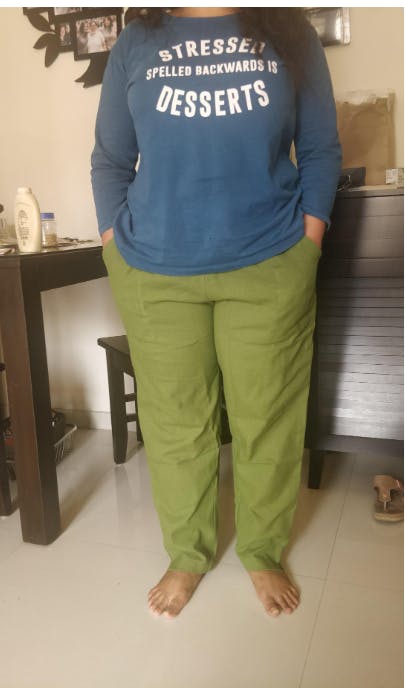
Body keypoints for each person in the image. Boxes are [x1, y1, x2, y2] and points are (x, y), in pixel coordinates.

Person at [91, 7, 341, 620]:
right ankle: (188, 554)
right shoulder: (135, 42)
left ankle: (261, 550)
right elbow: (110, 161)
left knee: (268, 417)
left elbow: (319, 147)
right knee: (176, 423)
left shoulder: (292, 34)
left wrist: (308, 241)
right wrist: (113, 245)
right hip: (155, 269)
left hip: (270, 260)